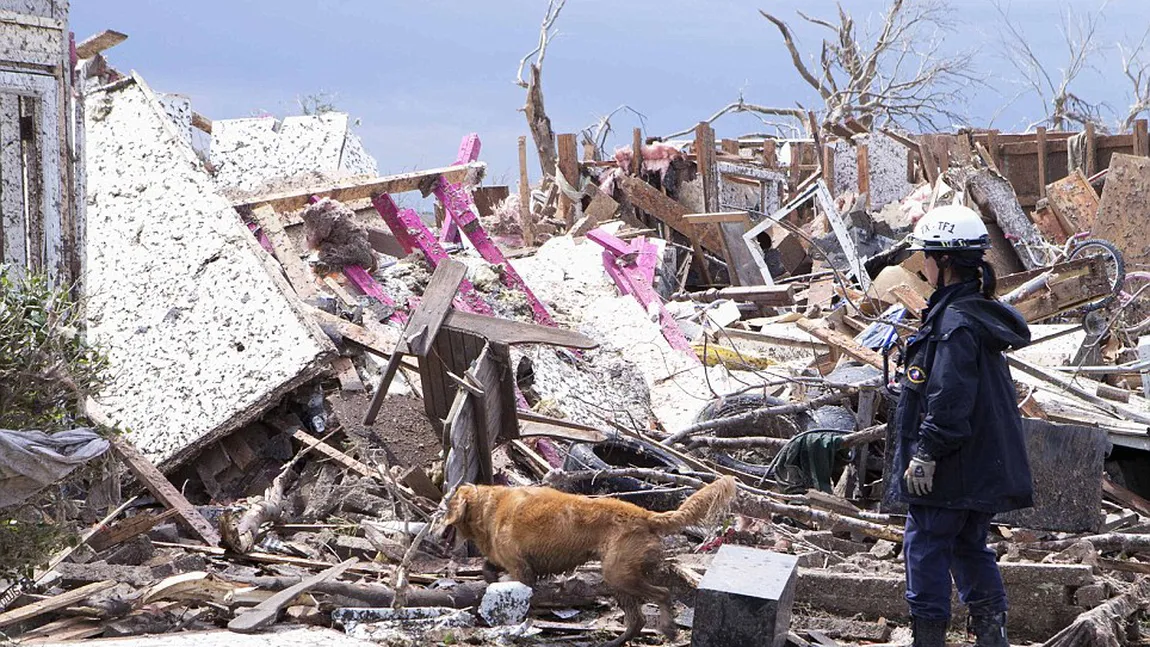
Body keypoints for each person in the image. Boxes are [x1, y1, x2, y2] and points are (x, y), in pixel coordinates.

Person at [893, 204, 1035, 647]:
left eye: (927, 257)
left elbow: (950, 398)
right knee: (969, 546)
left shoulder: (955, 324)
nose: (925, 266)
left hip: (952, 466)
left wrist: (925, 455)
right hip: (979, 466)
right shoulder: (975, 313)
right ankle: (993, 638)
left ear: (945, 262)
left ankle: (928, 639)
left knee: (926, 547)